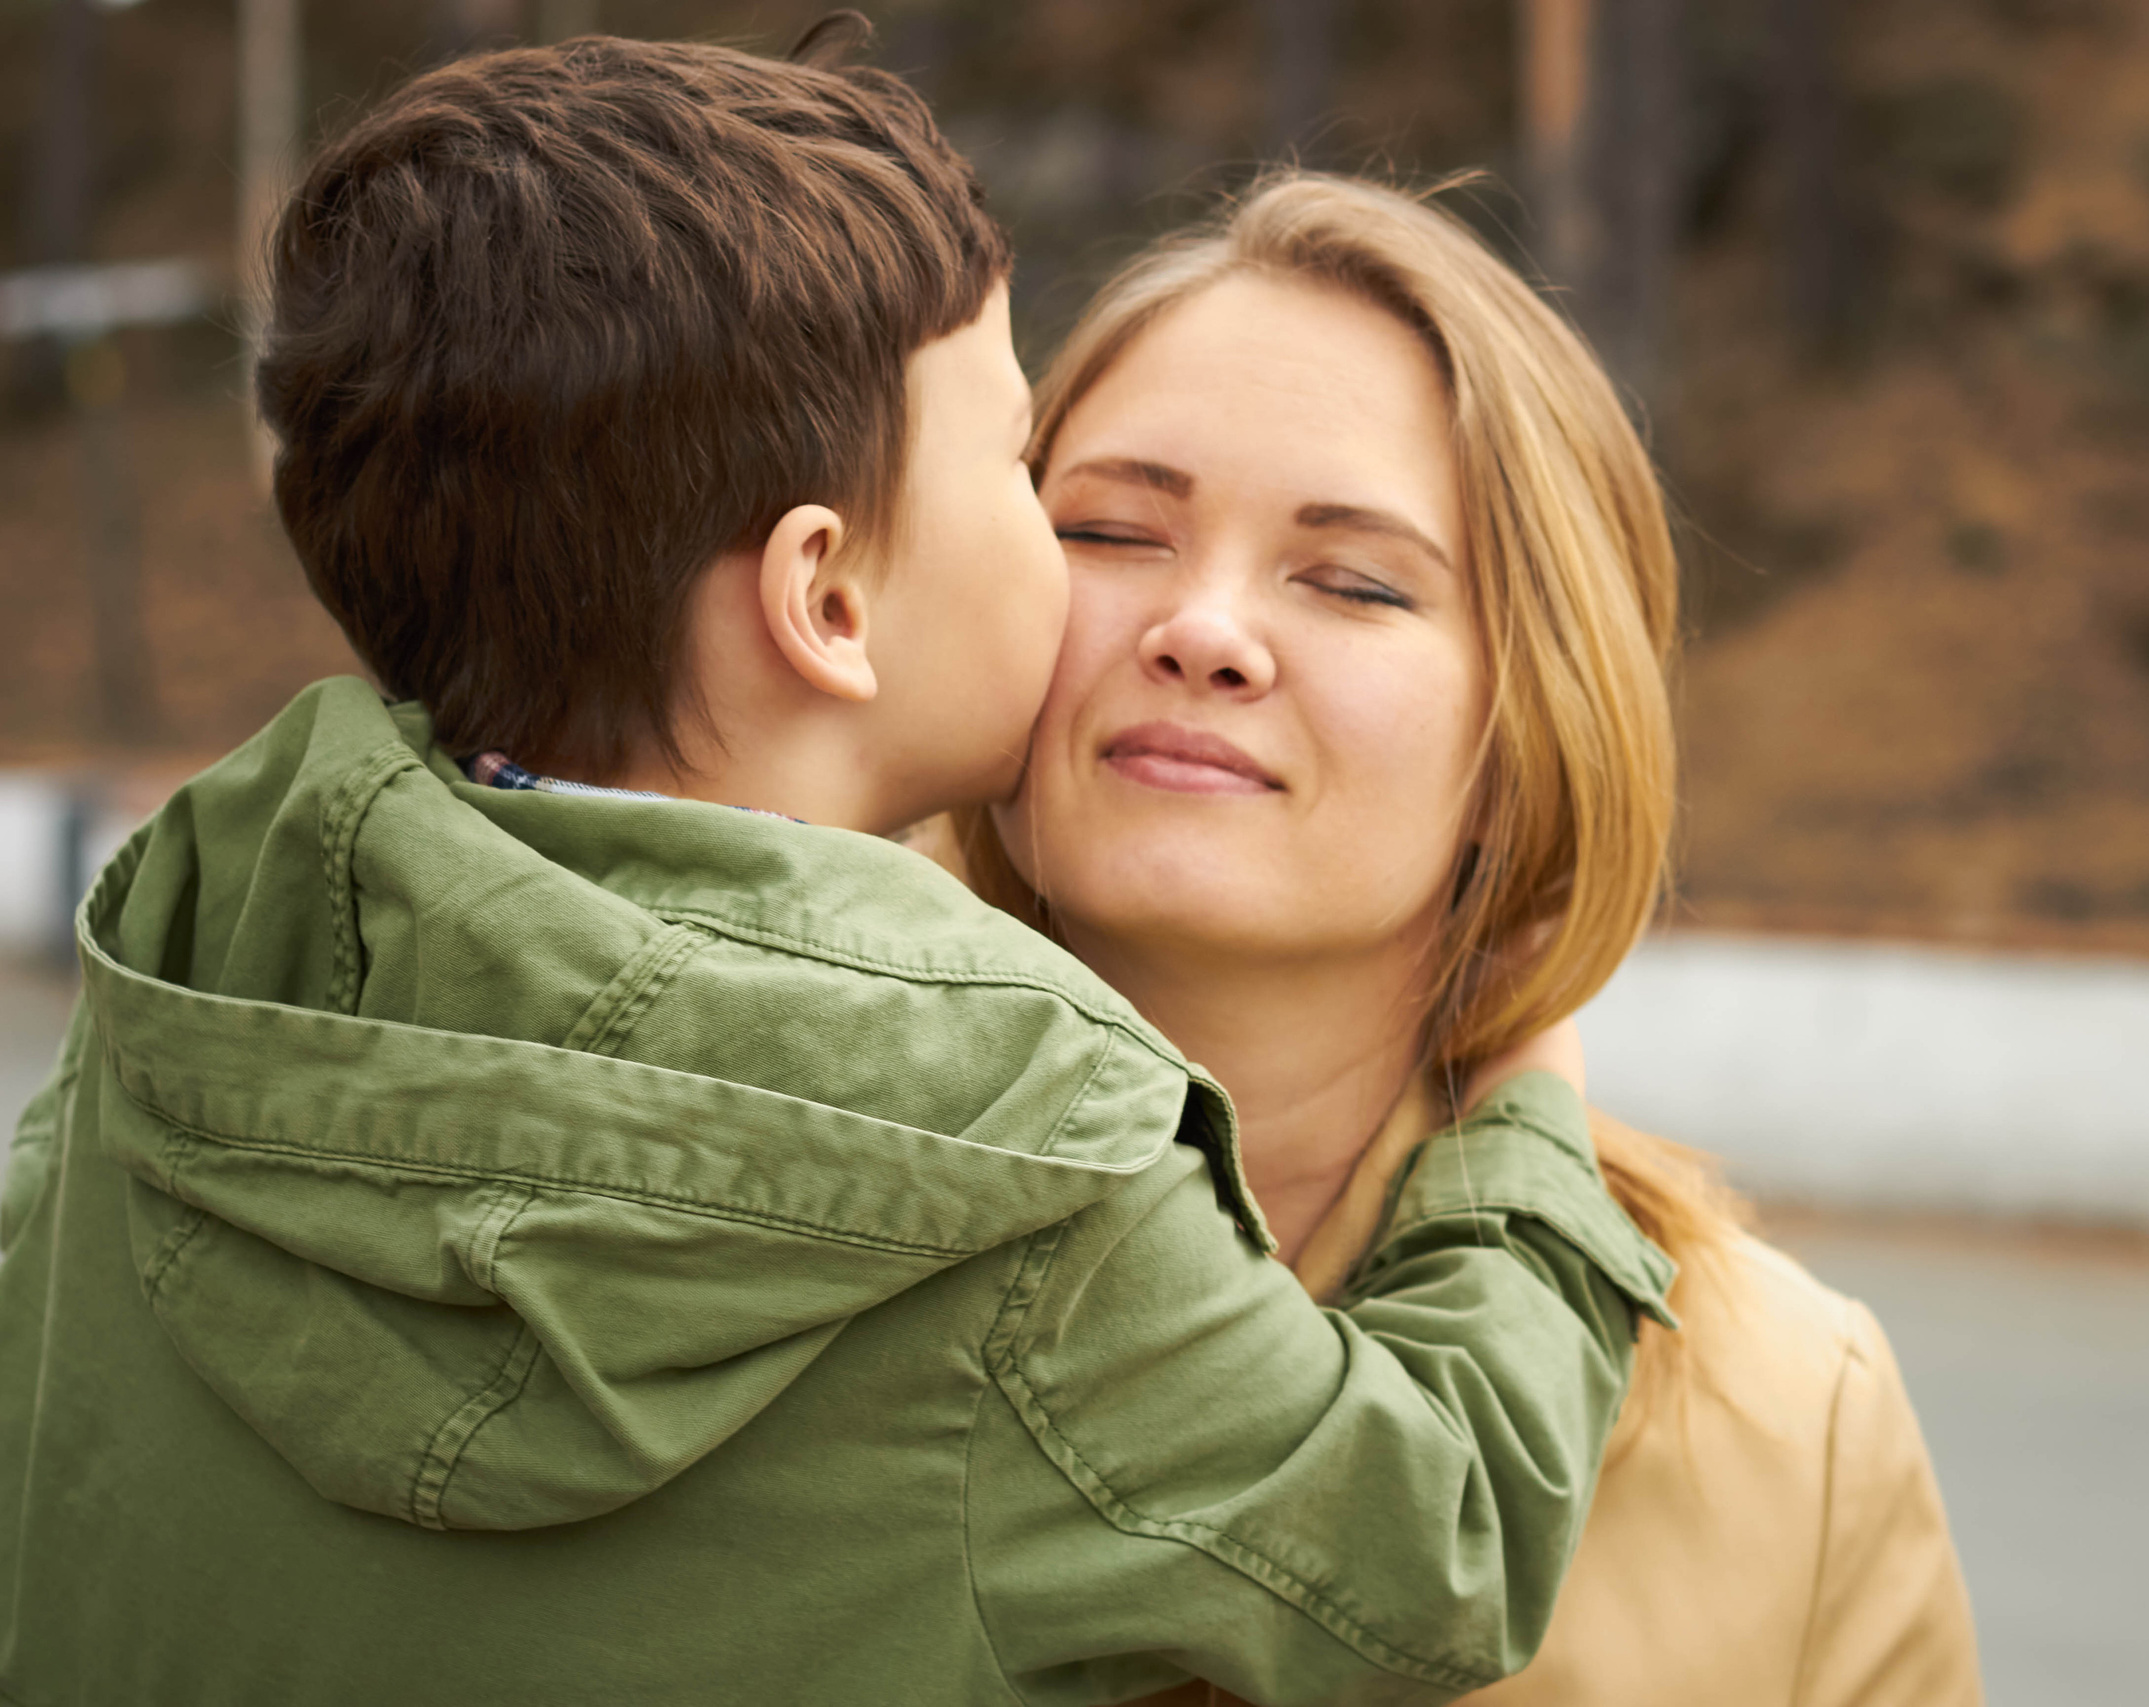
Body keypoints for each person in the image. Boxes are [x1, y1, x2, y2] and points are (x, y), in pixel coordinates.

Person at [0, 41, 1678, 1707]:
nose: (1183, 625)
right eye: (1047, 491)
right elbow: (1436, 1543)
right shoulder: (1020, 1150)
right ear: (828, 601)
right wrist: (1521, 1118)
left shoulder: (183, 973)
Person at [962, 171, 1986, 1705]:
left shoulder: (1784, 1415)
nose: (1207, 629)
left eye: (1358, 580)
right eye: (1114, 530)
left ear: (1535, 735)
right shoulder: (734, 1230)